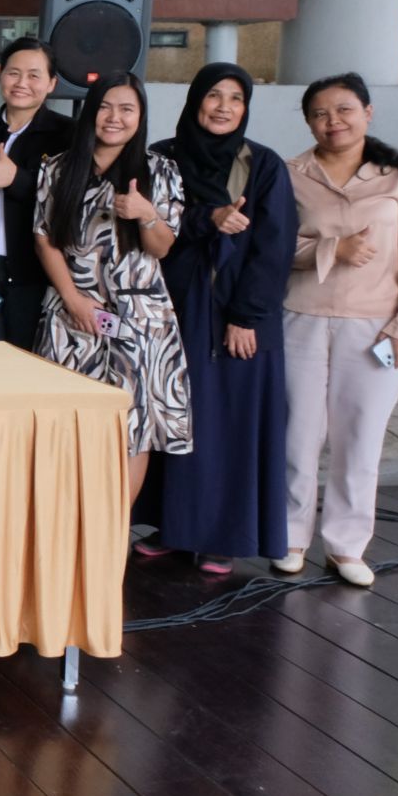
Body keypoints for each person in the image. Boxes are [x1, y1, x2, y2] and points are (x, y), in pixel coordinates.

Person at [135, 63, 296, 574]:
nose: (224, 107)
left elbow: (274, 247)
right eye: (214, 95)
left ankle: (222, 536)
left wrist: (246, 317)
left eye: (236, 98)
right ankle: (172, 527)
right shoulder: (162, 156)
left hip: (233, 315)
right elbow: (150, 223)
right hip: (168, 306)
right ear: (195, 100)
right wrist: (209, 218)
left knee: (226, 424)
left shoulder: (262, 165)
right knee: (173, 416)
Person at [279, 73, 398, 587]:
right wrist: (332, 249)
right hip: (300, 319)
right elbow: (272, 248)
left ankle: (346, 546)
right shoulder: (290, 174)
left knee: (361, 438)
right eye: (320, 113)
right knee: (296, 436)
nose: (333, 122)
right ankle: (289, 538)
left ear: (368, 113)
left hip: (375, 329)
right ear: (308, 121)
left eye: (344, 110)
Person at [33, 72, 189, 502]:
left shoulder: (160, 170)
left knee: (133, 429)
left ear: (140, 116)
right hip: (70, 316)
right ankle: (69, 525)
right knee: (64, 423)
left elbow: (162, 248)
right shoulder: (59, 167)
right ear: (90, 113)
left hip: (139, 319)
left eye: (126, 109)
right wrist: (72, 299)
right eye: (104, 107)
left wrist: (146, 214)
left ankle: (115, 529)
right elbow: (45, 239)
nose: (114, 117)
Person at [0, 37, 72, 349]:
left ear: (51, 83)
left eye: (34, 75)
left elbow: (70, 203)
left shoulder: (69, 135)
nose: (22, 83)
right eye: (13, 73)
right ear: (1, 76)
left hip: (35, 275)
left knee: (29, 363)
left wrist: (18, 180)